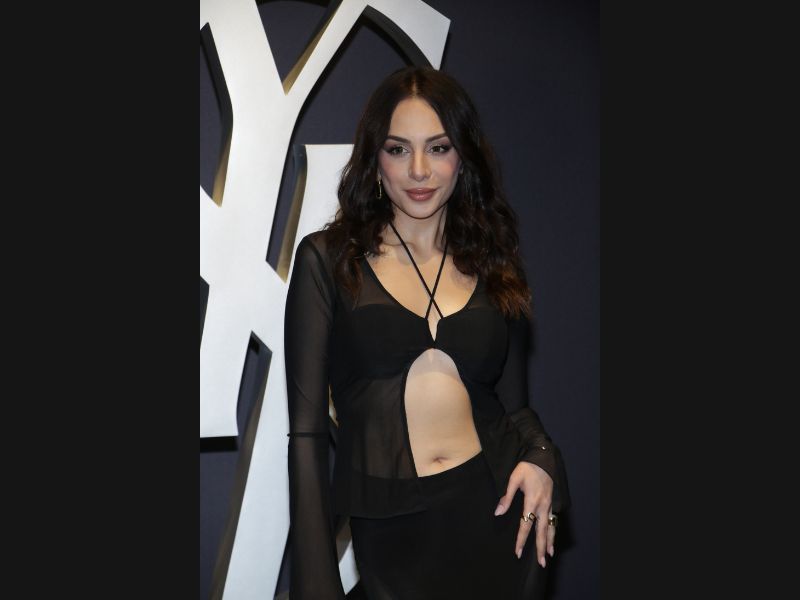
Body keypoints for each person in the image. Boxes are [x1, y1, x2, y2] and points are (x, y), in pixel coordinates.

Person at [285, 65, 570, 600]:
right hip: (392, 536)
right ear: (374, 160)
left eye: (438, 148)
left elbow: (516, 411)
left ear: (463, 159)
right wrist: (316, 585)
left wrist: (544, 460)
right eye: (398, 149)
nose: (419, 170)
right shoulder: (329, 262)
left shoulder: (494, 264)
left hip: (500, 522)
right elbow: (306, 436)